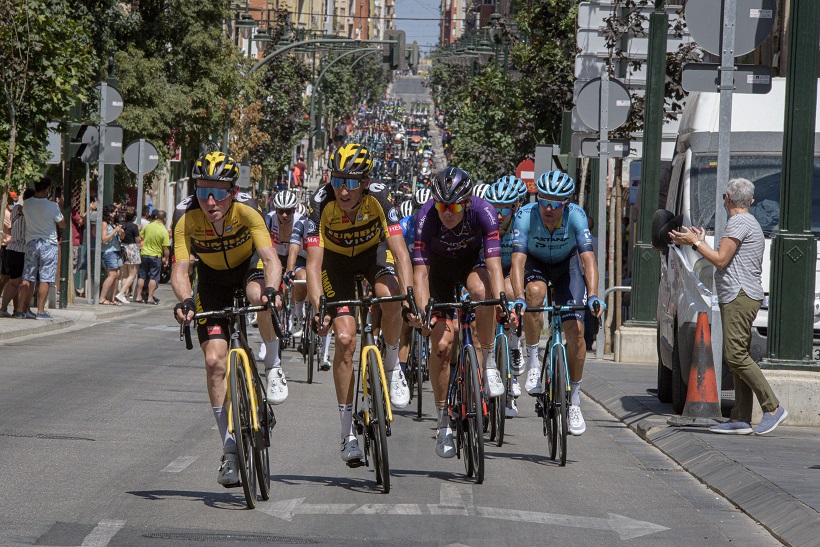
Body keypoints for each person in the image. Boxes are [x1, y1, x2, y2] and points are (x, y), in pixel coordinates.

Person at [171, 151, 284, 488]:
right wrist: (186, 300)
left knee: (257, 297)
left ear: (233, 192)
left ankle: (274, 366)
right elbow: (179, 271)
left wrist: (273, 290)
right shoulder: (186, 218)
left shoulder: (248, 211)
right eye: (203, 190)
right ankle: (230, 449)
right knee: (213, 361)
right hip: (212, 281)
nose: (210, 199)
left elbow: (270, 258)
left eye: (219, 191)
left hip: (248, 269)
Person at [306, 143, 416, 466]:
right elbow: (313, 265)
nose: (343, 190)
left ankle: (394, 367)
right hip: (335, 264)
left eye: (352, 182)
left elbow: (401, 251)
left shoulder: (381, 197)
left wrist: (408, 294)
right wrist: (318, 307)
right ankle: (346, 434)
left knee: (391, 297)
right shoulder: (321, 201)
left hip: (373, 256)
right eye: (338, 180)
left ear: (366, 182)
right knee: (344, 339)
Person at [670, 178, 788, 436]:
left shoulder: (738, 222)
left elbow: (721, 261)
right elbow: (726, 258)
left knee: (735, 355)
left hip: (739, 295)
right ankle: (741, 417)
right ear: (751, 201)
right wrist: (701, 242)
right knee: (738, 356)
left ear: (727, 199)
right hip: (740, 294)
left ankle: (772, 407)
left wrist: (694, 243)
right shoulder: (747, 223)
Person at [413, 167, 513, 458]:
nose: (447, 213)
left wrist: (502, 301)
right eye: (442, 205)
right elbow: (421, 274)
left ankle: (489, 360)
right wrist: (422, 311)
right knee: (443, 345)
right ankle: (443, 419)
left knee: (483, 294)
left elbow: (494, 266)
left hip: (471, 263)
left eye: (454, 206)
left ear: (467, 202)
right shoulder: (426, 217)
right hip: (440, 273)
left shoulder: (485, 212)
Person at [510, 170, 605, 437]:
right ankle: (532, 362)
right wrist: (518, 296)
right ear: (537, 198)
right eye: (544, 201)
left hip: (567, 267)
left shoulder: (577, 215)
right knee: (535, 294)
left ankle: (574, 400)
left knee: (575, 331)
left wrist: (594, 293)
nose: (549, 208)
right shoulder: (525, 215)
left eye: (556, 203)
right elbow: (518, 261)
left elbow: (588, 259)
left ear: (566, 203)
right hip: (537, 264)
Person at [484, 175, 529, 417]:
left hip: (511, 270)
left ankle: (513, 345)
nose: (499, 215)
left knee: (511, 289)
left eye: (505, 209)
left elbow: (519, 263)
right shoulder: (485, 221)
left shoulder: (521, 222)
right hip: (489, 269)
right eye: (495, 209)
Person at [15, 177, 66, 320]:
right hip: (48, 243)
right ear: (48, 188)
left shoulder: (27, 204)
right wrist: (60, 205)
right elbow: (63, 224)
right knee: (45, 278)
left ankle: (20, 310)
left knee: (27, 277)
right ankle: (40, 311)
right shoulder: (52, 206)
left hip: (31, 243)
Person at [1, 189, 32, 317]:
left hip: (12, 248)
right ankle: (10, 309)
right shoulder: (31, 214)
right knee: (17, 282)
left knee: (14, 281)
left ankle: (12, 309)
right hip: (22, 250)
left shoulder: (15, 209)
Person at [135, 211, 170, 304]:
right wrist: (166, 258)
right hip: (155, 256)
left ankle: (138, 296)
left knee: (142, 276)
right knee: (153, 277)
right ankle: (150, 298)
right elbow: (166, 247)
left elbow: (140, 238)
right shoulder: (163, 230)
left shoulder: (148, 226)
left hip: (144, 254)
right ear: (164, 219)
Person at [99, 204, 125, 305]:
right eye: (113, 212)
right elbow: (104, 239)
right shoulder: (104, 223)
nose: (115, 214)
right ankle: (102, 297)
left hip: (116, 250)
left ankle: (112, 298)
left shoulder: (114, 223)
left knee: (117, 274)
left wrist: (121, 232)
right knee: (112, 274)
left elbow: (122, 237)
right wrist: (114, 231)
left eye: (115, 212)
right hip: (108, 252)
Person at [115, 207, 142, 303]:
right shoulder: (134, 226)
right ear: (134, 217)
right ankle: (121, 293)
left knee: (125, 275)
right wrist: (139, 230)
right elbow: (138, 240)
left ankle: (123, 295)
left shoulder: (121, 224)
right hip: (131, 249)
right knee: (132, 275)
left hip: (122, 248)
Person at [0, 191, 16, 299]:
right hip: (6, 246)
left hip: (10, 246)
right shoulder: (5, 214)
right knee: (6, 275)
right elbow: (12, 226)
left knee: (8, 276)